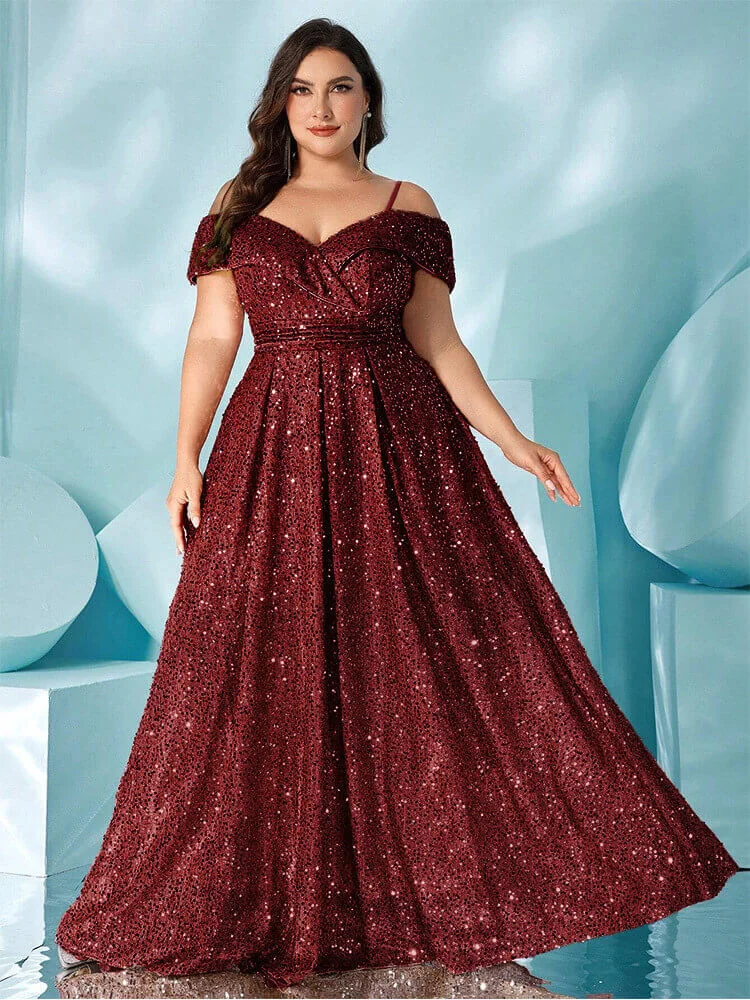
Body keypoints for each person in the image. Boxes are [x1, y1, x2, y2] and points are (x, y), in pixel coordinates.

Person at [55, 17, 740, 992]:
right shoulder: (238, 207)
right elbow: (211, 340)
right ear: (279, 104)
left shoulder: (406, 205)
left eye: (340, 87)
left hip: (396, 449)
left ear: (368, 102)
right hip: (270, 451)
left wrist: (513, 441)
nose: (322, 106)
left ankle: (406, 893)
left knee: (410, 664)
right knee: (257, 663)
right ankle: (269, 896)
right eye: (303, 89)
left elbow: (440, 343)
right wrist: (184, 459)